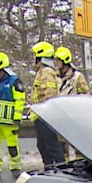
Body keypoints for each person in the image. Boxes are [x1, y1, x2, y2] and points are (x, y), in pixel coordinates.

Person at [0, 51, 26, 179]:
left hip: (9, 122)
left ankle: (15, 167)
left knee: (12, 146)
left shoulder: (14, 81)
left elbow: (20, 100)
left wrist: (17, 118)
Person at [29, 40, 64, 168]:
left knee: (51, 146)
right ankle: (50, 169)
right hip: (40, 115)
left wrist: (44, 111)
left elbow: (50, 94)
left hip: (44, 116)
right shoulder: (42, 71)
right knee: (43, 145)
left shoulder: (46, 72)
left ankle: (60, 169)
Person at [54, 46, 89, 159]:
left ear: (65, 61)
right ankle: (65, 165)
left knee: (78, 146)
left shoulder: (77, 77)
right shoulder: (54, 76)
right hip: (59, 115)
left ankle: (80, 164)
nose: (56, 62)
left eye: (58, 60)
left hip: (74, 116)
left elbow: (85, 96)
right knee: (61, 147)